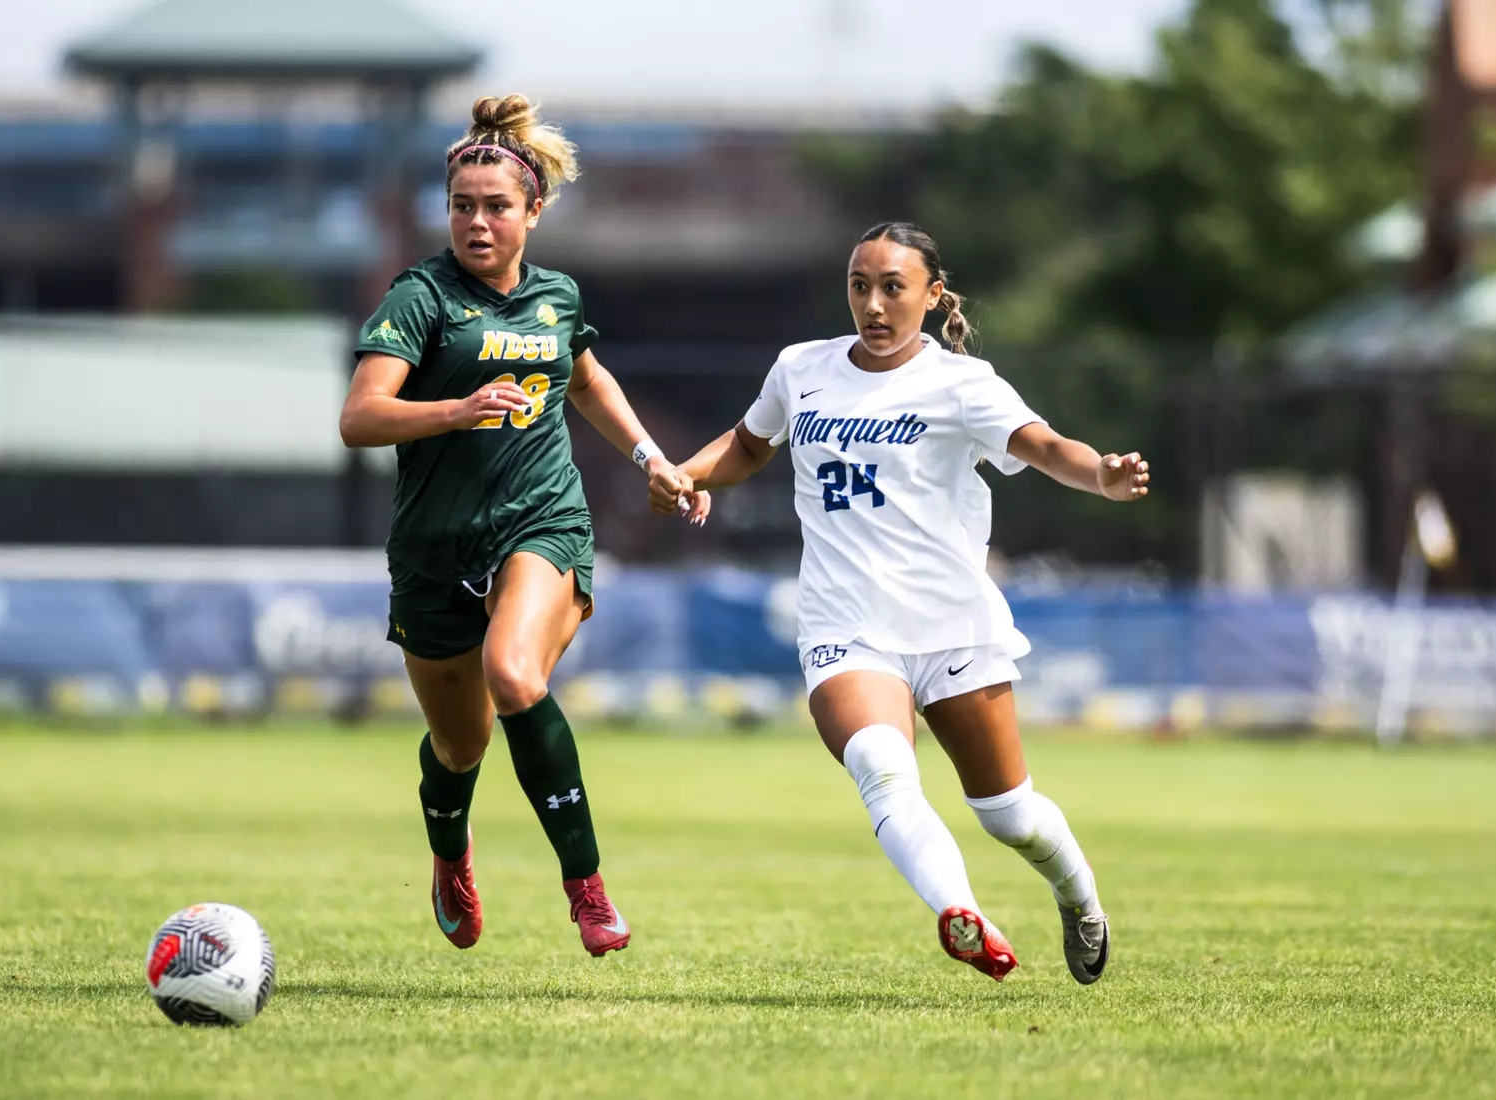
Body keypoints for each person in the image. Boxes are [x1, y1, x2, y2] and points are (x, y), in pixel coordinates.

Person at [649, 222, 1149, 983]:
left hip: (952, 626)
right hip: (845, 626)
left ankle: (1080, 900)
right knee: (882, 767)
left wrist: (1102, 477)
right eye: (860, 286)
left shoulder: (963, 383)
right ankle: (961, 913)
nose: (874, 305)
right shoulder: (800, 368)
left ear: (933, 294)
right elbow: (749, 444)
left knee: (1008, 815)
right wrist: (688, 473)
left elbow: (1046, 447)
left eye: (893, 287)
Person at [340, 94, 708, 958]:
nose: (477, 222)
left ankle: (587, 888)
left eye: (496, 207)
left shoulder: (556, 296)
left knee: (512, 673)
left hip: (542, 522)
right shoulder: (421, 297)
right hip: (434, 546)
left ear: (533, 212)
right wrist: (457, 408)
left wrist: (652, 457)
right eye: (461, 206)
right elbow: (360, 418)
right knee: (458, 745)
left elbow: (587, 379)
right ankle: (451, 855)